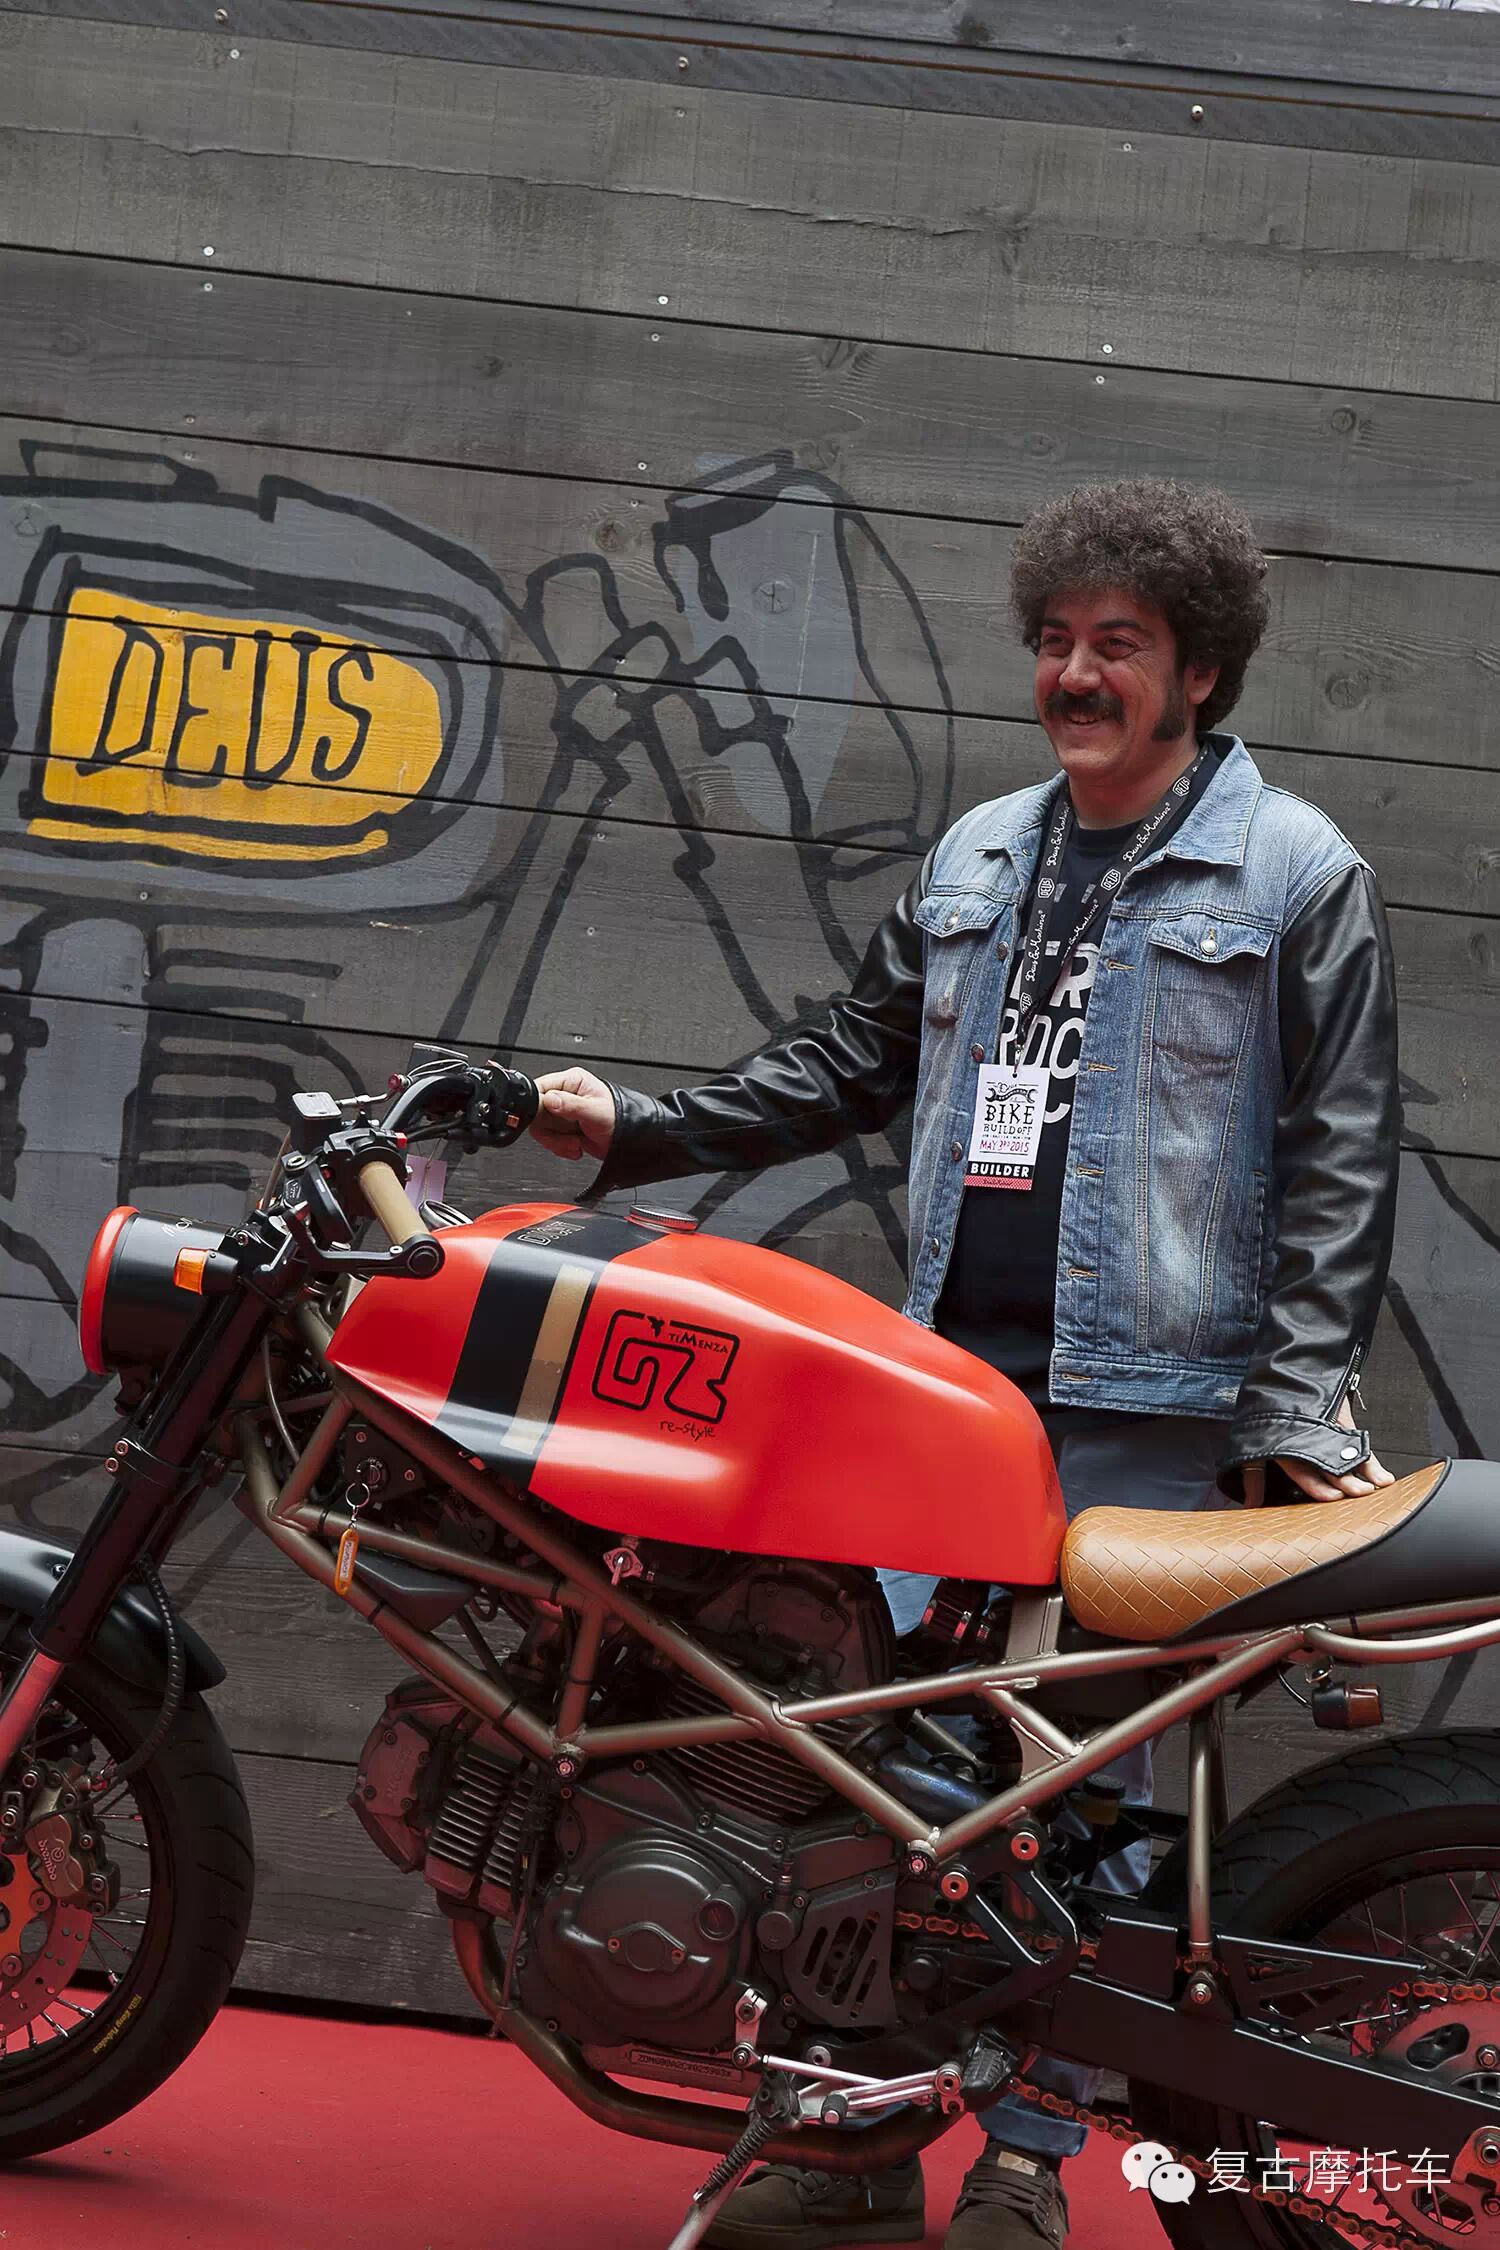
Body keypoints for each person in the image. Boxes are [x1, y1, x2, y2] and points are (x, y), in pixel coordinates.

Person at [527, 478, 1401, 2249]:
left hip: (1154, 1413)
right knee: (874, 1782)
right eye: (1056, 639)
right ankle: (850, 2145)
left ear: (1201, 673)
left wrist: (1295, 1412)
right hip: (944, 1405)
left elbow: (1340, 1159)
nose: (1076, 673)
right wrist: (638, 1128)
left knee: (1086, 1803)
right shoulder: (981, 854)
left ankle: (1029, 2160)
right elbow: (847, 1063)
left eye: (1120, 645)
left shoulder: (1297, 873)